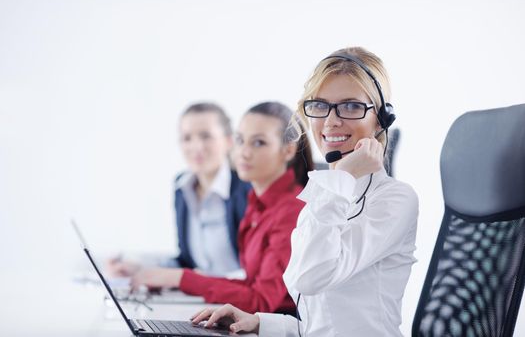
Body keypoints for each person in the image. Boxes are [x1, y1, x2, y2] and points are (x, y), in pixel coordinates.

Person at [190, 47, 419, 336]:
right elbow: (320, 321)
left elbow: (313, 276)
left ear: (381, 119)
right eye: (320, 106)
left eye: (350, 106)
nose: (331, 121)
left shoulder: (394, 199)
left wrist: (343, 176)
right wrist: (260, 321)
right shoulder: (325, 193)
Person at [128, 101, 314, 314]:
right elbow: (252, 285)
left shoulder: (291, 210)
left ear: (288, 150)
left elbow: (261, 301)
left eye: (259, 143)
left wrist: (182, 278)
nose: (243, 152)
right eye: (240, 140)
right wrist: (176, 278)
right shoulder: (257, 203)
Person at [108, 102, 251, 278]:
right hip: (201, 299)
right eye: (187, 138)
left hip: (238, 301)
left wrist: (200, 282)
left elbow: (255, 272)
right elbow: (187, 261)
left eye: (206, 136)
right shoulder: (181, 188)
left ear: (229, 141)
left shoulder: (247, 189)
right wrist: (140, 269)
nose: (196, 146)